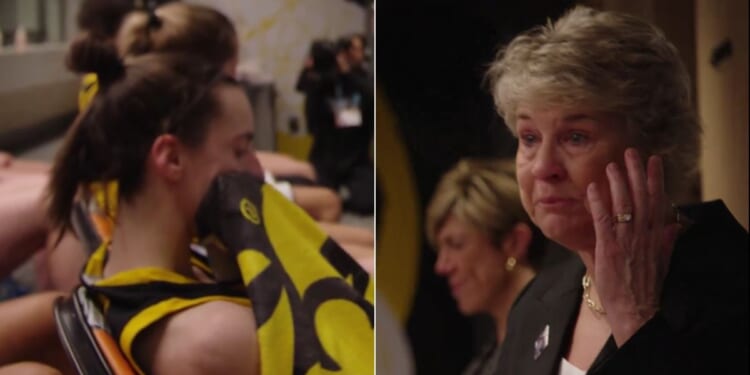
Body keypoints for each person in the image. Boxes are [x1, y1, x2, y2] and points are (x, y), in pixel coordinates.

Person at [484, 6, 748, 374]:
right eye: (529, 137)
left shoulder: (733, 284)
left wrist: (635, 319)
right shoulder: (536, 302)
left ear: (655, 144)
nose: (543, 167)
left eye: (576, 137)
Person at [49, 50, 262, 374]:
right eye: (240, 150)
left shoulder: (113, 265)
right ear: (172, 158)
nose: (257, 171)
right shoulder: (217, 336)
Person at [427, 158, 547, 375]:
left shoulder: (565, 333)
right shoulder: (483, 364)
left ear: (514, 242)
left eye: (456, 244)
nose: (441, 266)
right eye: (440, 250)